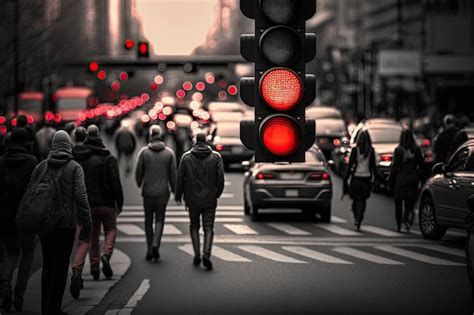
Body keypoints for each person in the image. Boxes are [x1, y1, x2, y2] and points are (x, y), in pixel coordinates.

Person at [28, 130, 91, 315]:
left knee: (47, 264)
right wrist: (87, 222)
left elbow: (30, 193)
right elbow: (81, 197)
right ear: (68, 144)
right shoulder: (74, 168)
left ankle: (44, 308)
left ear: (53, 145)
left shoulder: (41, 167)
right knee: (62, 265)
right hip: (66, 225)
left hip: (45, 224)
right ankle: (55, 307)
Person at [70, 125, 123, 298]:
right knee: (110, 229)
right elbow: (115, 182)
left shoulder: (81, 158)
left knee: (88, 237)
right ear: (99, 136)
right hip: (106, 203)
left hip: (87, 204)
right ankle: (106, 255)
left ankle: (81, 269)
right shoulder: (108, 157)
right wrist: (119, 202)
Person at [0, 128, 38, 312]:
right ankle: (19, 294)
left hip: (5, 215)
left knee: (10, 252)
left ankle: (5, 285)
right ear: (26, 142)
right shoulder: (32, 162)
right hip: (27, 215)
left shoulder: (1, 162)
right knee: (27, 254)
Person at [175, 133, 225, 270]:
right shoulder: (215, 157)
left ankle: (197, 253)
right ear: (206, 141)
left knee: (194, 226)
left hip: (192, 199)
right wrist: (217, 194)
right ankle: (206, 254)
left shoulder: (186, 157)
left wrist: (178, 195)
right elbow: (220, 179)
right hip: (210, 198)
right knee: (208, 227)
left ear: (195, 141)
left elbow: (180, 178)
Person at [135, 125, 177, 261]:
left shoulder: (144, 152)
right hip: (163, 192)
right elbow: (173, 175)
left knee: (148, 221)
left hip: (147, 192)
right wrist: (175, 190)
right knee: (160, 219)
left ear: (150, 136)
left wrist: (140, 182)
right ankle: (155, 245)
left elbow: (138, 172)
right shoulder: (169, 153)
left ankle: (149, 248)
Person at [388, 130, 424, 232]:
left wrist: (390, 182)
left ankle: (399, 225)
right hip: (413, 179)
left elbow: (395, 168)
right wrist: (423, 179)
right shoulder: (416, 150)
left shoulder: (398, 150)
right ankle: (406, 219)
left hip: (401, 179)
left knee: (398, 203)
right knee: (410, 202)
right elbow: (421, 166)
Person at [343, 131, 377, 231]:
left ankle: (356, 216)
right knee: (363, 200)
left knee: (355, 199)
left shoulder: (355, 150)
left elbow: (350, 166)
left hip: (356, 178)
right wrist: (377, 177)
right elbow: (373, 166)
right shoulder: (371, 151)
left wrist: (346, 178)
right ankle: (359, 217)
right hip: (367, 178)